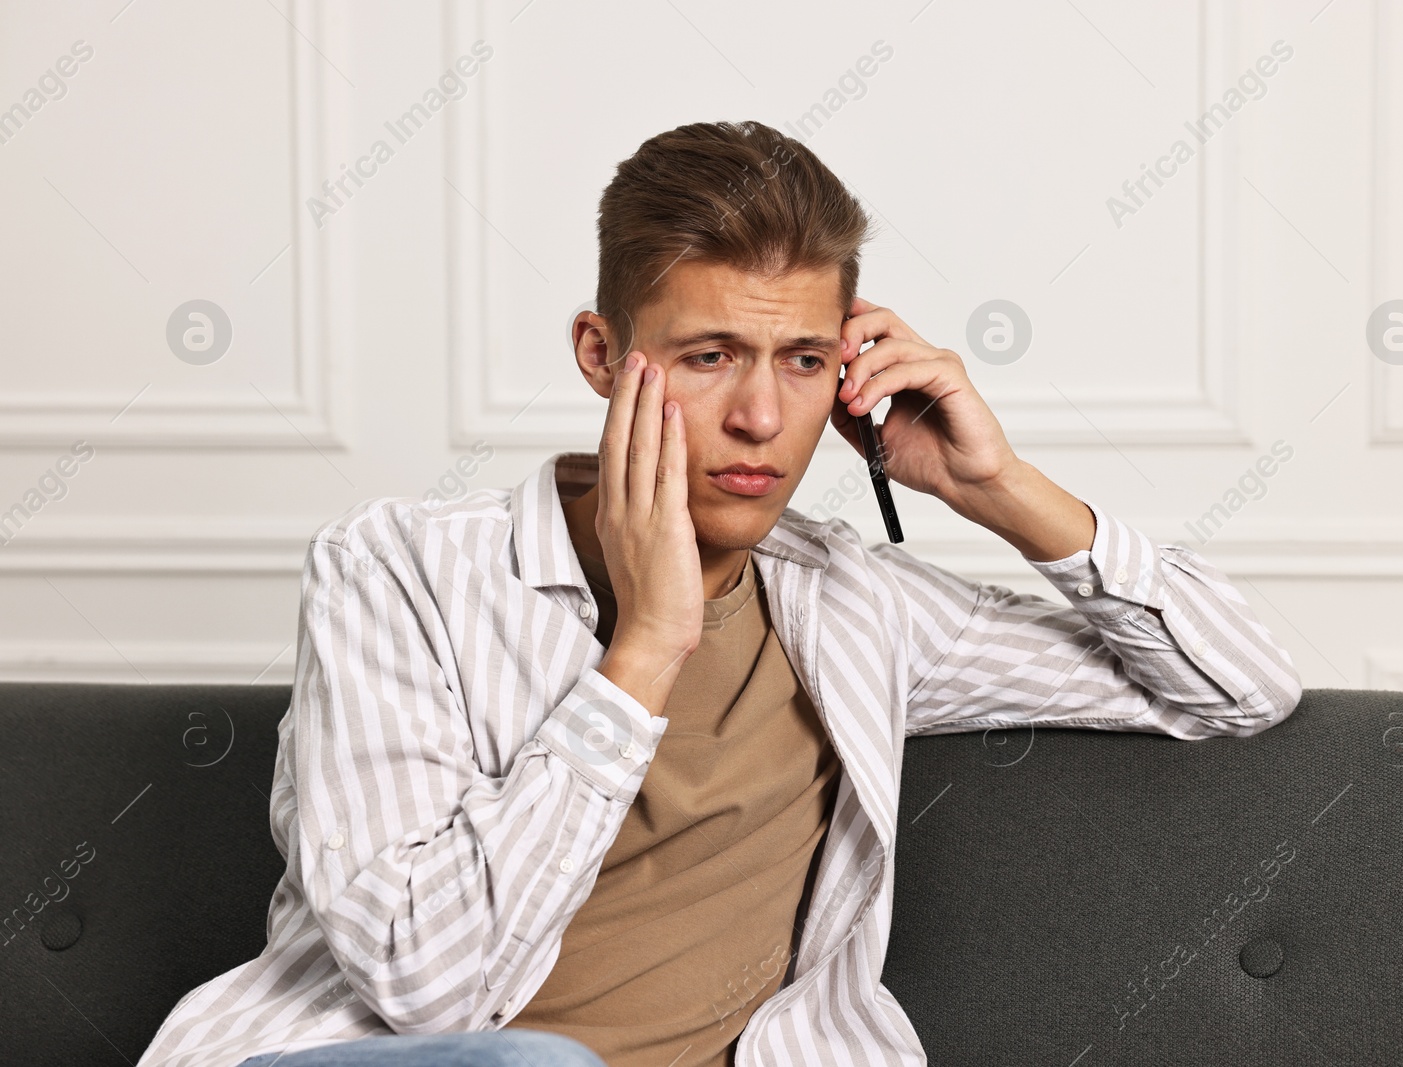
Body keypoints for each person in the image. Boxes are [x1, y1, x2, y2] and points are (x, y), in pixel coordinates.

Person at [137, 120, 1301, 1067]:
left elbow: (1235, 686)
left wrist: (996, 487)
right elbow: (426, 981)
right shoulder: (398, 571)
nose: (759, 419)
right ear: (601, 354)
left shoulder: (850, 604)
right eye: (706, 358)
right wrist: (642, 650)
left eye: (801, 362)